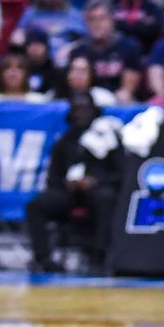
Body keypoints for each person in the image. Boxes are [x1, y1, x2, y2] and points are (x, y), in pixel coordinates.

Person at [25, 92, 123, 273]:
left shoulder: (109, 138)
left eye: (85, 109)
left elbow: (121, 174)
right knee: (36, 205)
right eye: (76, 109)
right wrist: (68, 184)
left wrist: (95, 181)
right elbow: (52, 178)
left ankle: (98, 258)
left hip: (97, 191)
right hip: (69, 194)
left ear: (94, 110)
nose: (80, 114)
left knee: (106, 198)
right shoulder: (64, 141)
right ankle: (43, 259)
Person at [71, 0, 143, 104]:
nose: (96, 24)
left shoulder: (128, 46)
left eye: (101, 18)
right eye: (91, 19)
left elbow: (127, 90)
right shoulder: (79, 50)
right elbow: (77, 89)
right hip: (88, 103)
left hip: (118, 102)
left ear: (112, 20)